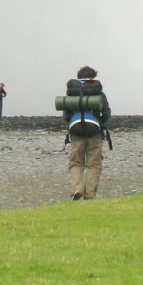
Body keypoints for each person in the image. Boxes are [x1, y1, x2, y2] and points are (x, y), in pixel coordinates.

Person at [62, 65, 111, 201]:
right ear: (93, 77)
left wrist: (73, 123)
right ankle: (89, 195)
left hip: (76, 130)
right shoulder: (98, 92)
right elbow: (106, 113)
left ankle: (77, 190)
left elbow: (66, 115)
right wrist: (99, 122)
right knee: (93, 164)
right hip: (94, 131)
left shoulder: (72, 92)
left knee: (76, 162)